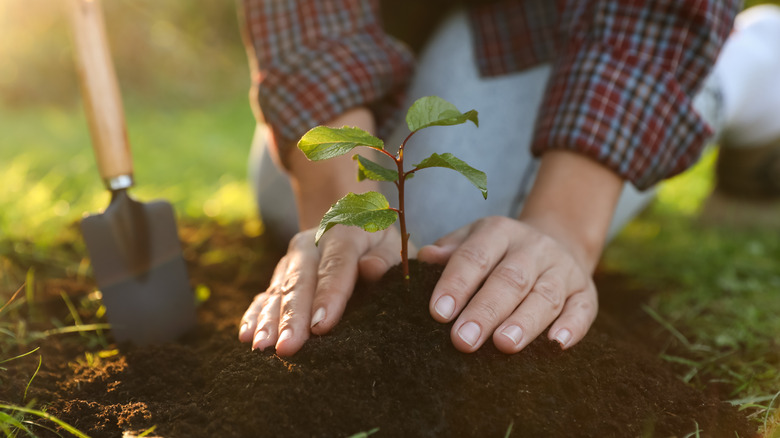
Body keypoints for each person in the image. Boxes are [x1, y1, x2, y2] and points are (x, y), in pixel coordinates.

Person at [236, 0, 780, 357]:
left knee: (444, 227)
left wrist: (565, 226)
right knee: (289, 200)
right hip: (391, 19)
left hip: (555, 20)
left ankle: (747, 63)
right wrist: (342, 206)